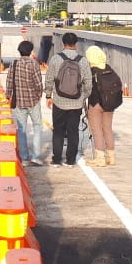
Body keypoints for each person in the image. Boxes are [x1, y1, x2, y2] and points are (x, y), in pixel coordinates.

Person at [44, 32, 91, 167]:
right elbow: (88, 82)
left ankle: (57, 159)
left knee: (58, 130)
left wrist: (48, 95)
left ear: (63, 43)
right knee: (73, 131)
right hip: (76, 103)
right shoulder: (82, 60)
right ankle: (70, 160)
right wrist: (83, 97)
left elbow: (49, 79)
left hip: (59, 101)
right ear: (76, 44)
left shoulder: (55, 59)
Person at [5, 40, 45, 167]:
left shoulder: (14, 63)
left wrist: (8, 96)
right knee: (37, 127)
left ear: (19, 51)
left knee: (21, 130)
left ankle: (24, 159)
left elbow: (9, 81)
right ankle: (36, 157)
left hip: (19, 103)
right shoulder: (34, 64)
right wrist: (39, 95)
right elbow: (39, 83)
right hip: (33, 102)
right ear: (30, 51)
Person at [84, 46, 119, 167]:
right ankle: (111, 157)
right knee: (107, 129)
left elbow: (87, 88)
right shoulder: (109, 69)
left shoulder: (92, 71)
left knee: (97, 130)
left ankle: (100, 158)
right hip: (110, 104)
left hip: (96, 104)